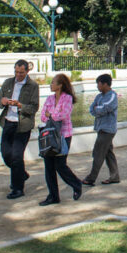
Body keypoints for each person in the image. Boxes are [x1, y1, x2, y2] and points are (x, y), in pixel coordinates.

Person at [0, 59, 40, 199]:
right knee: (5, 153)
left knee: (16, 156)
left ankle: (17, 188)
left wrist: (20, 106)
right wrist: (2, 102)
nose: (18, 75)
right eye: (16, 72)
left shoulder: (33, 86)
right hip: (8, 123)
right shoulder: (8, 82)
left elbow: (34, 107)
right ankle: (22, 174)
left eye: (21, 72)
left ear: (27, 71)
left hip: (23, 125)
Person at [38, 73, 83, 205]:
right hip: (50, 134)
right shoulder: (50, 99)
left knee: (60, 164)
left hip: (64, 135)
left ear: (60, 85)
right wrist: (51, 116)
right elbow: (42, 116)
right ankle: (53, 196)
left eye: (53, 82)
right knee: (49, 166)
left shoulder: (67, 98)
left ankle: (76, 184)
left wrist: (50, 114)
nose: (50, 84)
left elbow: (64, 115)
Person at [82, 73, 120, 186]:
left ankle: (91, 178)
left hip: (108, 130)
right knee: (108, 153)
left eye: (98, 84)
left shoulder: (112, 95)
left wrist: (98, 109)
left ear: (105, 84)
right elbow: (92, 109)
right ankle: (115, 176)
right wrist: (98, 109)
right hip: (100, 128)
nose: (97, 86)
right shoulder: (99, 97)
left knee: (98, 153)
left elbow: (106, 108)